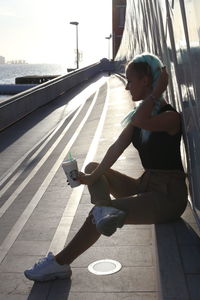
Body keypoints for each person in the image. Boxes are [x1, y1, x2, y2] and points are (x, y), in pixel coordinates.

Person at [24, 53, 188, 282]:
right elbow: (115, 149)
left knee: (97, 212)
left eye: (131, 81)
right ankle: (104, 213)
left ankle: (60, 263)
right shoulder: (137, 119)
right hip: (146, 185)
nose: (127, 87)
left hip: (169, 198)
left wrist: (156, 93)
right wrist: (91, 178)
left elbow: (142, 121)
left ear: (147, 81)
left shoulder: (170, 117)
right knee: (93, 168)